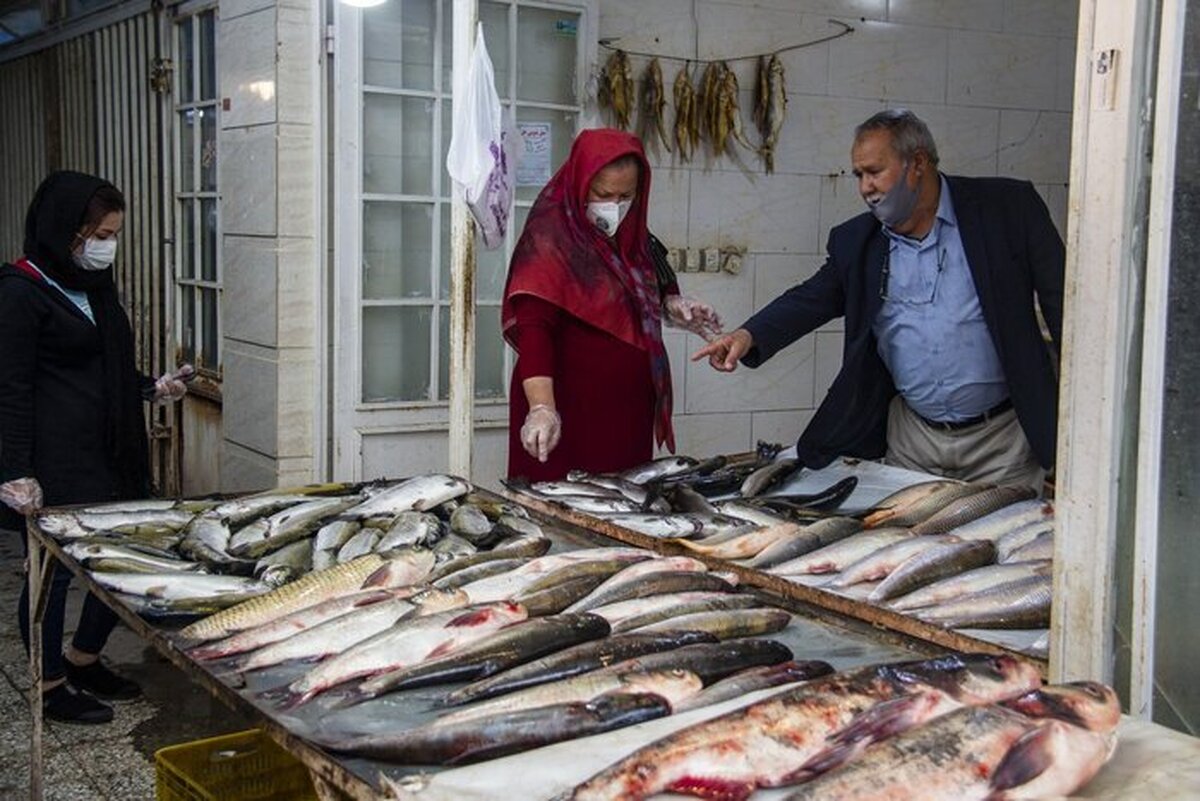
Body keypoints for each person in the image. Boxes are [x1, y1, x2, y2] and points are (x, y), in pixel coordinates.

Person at [694, 110, 1064, 490]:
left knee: (998, 547)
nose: (865, 187)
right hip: (913, 439)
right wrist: (748, 335)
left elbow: (1063, 305)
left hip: (1002, 440)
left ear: (917, 163)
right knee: (908, 546)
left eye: (874, 172)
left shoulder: (1007, 210)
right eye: (859, 175)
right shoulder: (858, 242)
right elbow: (811, 298)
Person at [0, 171, 190, 724]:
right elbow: (9, 388)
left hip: (110, 451)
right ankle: (49, 682)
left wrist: (150, 388)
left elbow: (103, 368)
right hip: (54, 460)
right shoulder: (19, 292)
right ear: (66, 230)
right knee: (53, 573)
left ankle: (83, 657)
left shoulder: (91, 288)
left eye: (114, 233)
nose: (107, 245)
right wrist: (14, 469)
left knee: (116, 562)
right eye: (100, 233)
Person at [503, 128, 721, 481]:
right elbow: (535, 330)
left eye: (626, 196)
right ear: (579, 182)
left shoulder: (635, 234)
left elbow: (649, 287)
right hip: (567, 409)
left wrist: (673, 304)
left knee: (625, 507)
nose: (614, 206)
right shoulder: (549, 238)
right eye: (603, 194)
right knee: (561, 507)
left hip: (627, 411)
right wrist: (542, 407)